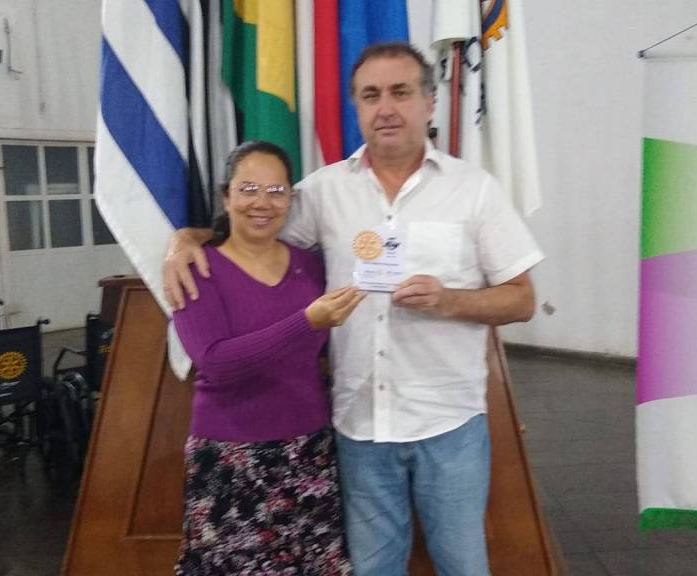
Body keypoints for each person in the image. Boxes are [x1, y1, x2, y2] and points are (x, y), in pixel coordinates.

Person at [166, 43, 543, 576]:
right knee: (373, 568)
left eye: (400, 92)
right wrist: (185, 238)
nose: (385, 108)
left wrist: (450, 300)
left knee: (462, 564)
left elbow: (522, 298)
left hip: (448, 424)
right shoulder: (323, 191)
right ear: (357, 108)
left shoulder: (474, 191)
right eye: (370, 95)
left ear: (429, 102)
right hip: (359, 425)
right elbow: (254, 223)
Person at [171, 140, 362, 576]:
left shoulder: (310, 266)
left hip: (309, 451)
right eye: (249, 189)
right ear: (226, 196)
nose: (262, 202)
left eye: (276, 191)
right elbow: (216, 362)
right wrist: (306, 321)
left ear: (291, 200)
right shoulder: (196, 269)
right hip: (231, 458)